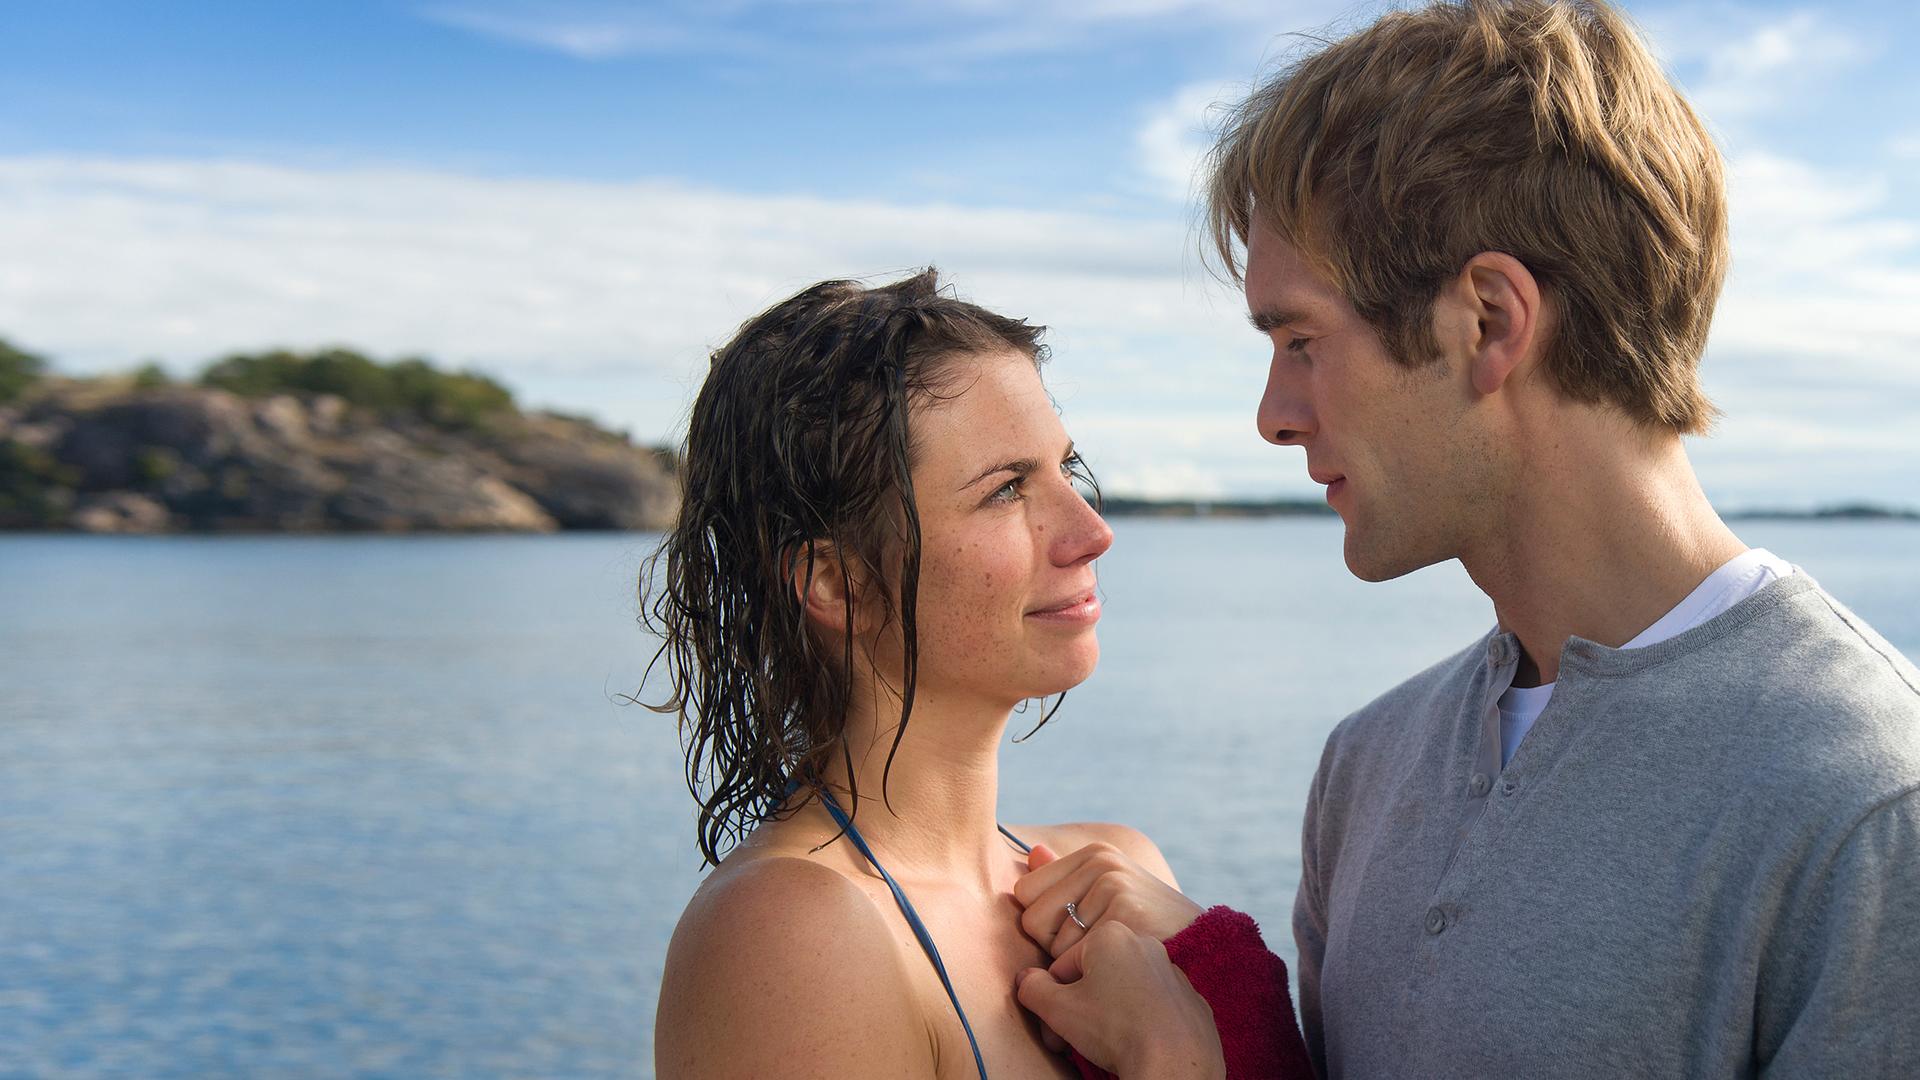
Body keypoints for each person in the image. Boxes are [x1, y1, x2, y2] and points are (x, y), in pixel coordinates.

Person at [1013, 0, 1920, 1076]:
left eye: (1301, 340)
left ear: (1489, 320)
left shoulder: (1867, 808)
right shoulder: (1368, 765)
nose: (1273, 416)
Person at [649, 270, 1207, 1078]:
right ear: (835, 582)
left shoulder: (1119, 876)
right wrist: (1177, 1059)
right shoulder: (792, 932)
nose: (1092, 532)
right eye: (1007, 490)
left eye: (1068, 470)